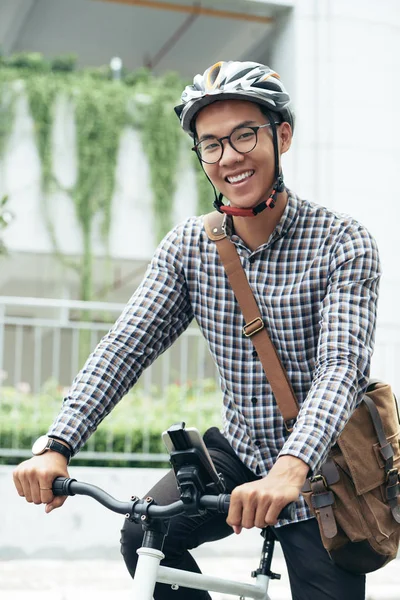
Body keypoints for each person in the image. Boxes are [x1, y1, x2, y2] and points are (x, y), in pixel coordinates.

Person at [13, 61, 380, 600]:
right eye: (211, 144)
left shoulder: (343, 242)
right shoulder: (191, 246)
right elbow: (125, 346)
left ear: (282, 135)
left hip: (323, 467)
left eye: (244, 135)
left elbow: (341, 367)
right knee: (144, 534)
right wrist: (57, 442)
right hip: (241, 451)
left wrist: (290, 468)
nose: (229, 156)